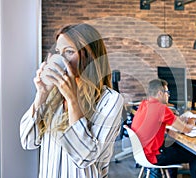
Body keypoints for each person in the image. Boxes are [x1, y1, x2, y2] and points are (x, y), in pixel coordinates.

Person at [20, 23, 124, 178]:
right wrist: (41, 94)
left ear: (91, 57)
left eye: (69, 52)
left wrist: (72, 99)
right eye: (58, 52)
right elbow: (28, 141)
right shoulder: (53, 95)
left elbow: (84, 158)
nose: (61, 59)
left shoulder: (110, 100)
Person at [131, 79, 196, 178]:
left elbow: (155, 123)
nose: (169, 95)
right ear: (160, 93)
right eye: (167, 92)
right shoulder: (161, 108)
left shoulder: (144, 104)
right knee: (194, 155)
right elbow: (186, 129)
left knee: (173, 147)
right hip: (154, 156)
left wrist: (179, 120)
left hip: (142, 153)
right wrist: (192, 121)